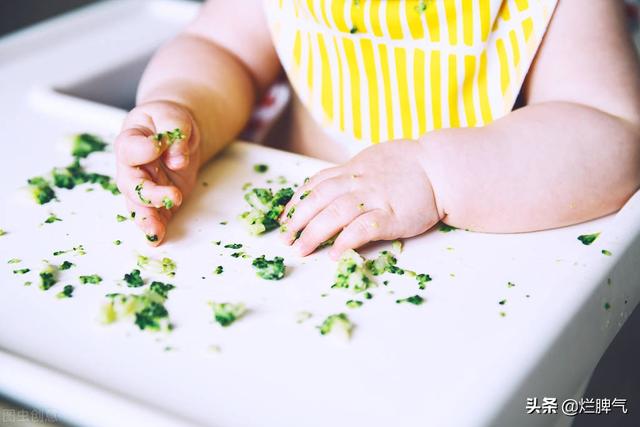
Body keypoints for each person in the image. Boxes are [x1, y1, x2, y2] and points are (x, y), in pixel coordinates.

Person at [114, 0, 640, 260]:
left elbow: (612, 136)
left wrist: (434, 174)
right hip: (286, 233)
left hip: (465, 256)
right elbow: (222, 50)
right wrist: (183, 111)